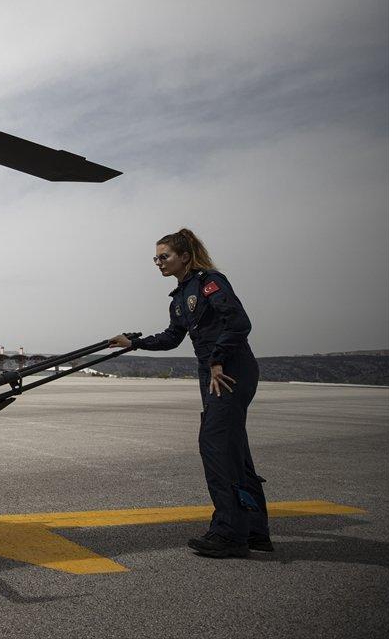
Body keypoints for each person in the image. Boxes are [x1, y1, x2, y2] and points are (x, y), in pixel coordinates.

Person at [109, 228, 271, 559]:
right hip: (213, 372)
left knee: (216, 446)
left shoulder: (210, 282)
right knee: (233, 449)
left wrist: (217, 360)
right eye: (156, 258)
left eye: (164, 256)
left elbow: (239, 323)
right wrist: (134, 343)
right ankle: (255, 531)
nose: (158, 262)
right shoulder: (181, 297)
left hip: (229, 370)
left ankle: (229, 533)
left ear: (184, 256)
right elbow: (172, 337)